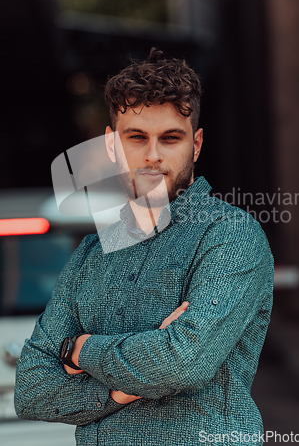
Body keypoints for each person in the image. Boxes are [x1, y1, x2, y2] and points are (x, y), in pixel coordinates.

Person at [15, 48, 274, 445]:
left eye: (171, 138)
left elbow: (181, 364)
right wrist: (121, 389)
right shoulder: (90, 254)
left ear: (196, 145)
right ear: (110, 146)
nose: (153, 156)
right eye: (136, 137)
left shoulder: (231, 236)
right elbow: (32, 392)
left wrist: (80, 350)